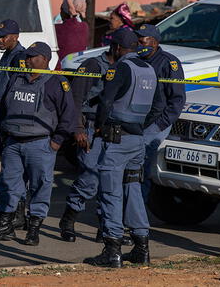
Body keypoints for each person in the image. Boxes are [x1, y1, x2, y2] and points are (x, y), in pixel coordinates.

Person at [0, 41, 75, 246]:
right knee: (9, 185)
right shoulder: (17, 78)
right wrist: (4, 131)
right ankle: (5, 226)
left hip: (40, 144)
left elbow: (69, 115)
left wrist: (57, 141)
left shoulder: (56, 82)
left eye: (33, 56)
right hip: (13, 143)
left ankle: (33, 230)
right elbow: (3, 105)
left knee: (40, 187)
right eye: (27, 56)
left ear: (45, 59)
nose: (28, 60)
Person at [85, 30, 162, 268]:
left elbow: (106, 101)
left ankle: (112, 251)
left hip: (117, 141)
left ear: (117, 48)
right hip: (137, 140)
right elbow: (159, 106)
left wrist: (99, 127)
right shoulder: (148, 69)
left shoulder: (119, 68)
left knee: (110, 193)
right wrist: (139, 125)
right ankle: (141, 249)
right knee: (133, 192)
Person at [59, 49, 114, 243]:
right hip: (90, 127)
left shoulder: (125, 66)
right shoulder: (93, 65)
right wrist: (78, 128)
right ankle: (68, 219)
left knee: (110, 181)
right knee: (90, 178)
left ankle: (105, 226)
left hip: (113, 129)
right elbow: (74, 98)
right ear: (117, 48)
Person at [135, 24, 185, 202]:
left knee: (140, 168)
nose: (138, 44)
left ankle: (137, 214)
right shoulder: (135, 60)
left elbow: (177, 100)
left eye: (142, 41)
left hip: (155, 124)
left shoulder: (168, 63)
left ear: (154, 43)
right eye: (137, 41)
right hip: (135, 122)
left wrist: (159, 125)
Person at [0, 19, 28, 229]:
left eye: (4, 37)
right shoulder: (6, 56)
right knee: (8, 171)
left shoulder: (19, 58)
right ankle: (9, 212)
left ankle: (17, 215)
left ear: (16, 36)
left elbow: (16, 93)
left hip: (11, 119)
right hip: (2, 118)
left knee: (14, 172)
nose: (0, 40)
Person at [54, 0, 89, 70]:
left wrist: (72, 11)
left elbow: (71, 25)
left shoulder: (57, 29)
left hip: (61, 70)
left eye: (61, 9)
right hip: (78, 68)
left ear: (64, 11)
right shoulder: (84, 27)